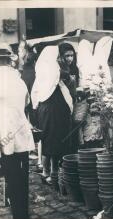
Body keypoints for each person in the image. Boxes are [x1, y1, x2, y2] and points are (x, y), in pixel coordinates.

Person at [0, 43, 35, 219]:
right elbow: (27, 104)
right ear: (8, 60)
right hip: (16, 141)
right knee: (18, 186)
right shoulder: (18, 81)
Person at [31, 43, 78, 185]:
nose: (66, 59)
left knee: (57, 141)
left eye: (71, 55)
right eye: (62, 56)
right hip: (49, 110)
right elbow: (49, 84)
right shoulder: (50, 71)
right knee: (48, 141)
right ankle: (46, 172)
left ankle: (54, 171)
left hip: (58, 110)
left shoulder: (58, 70)